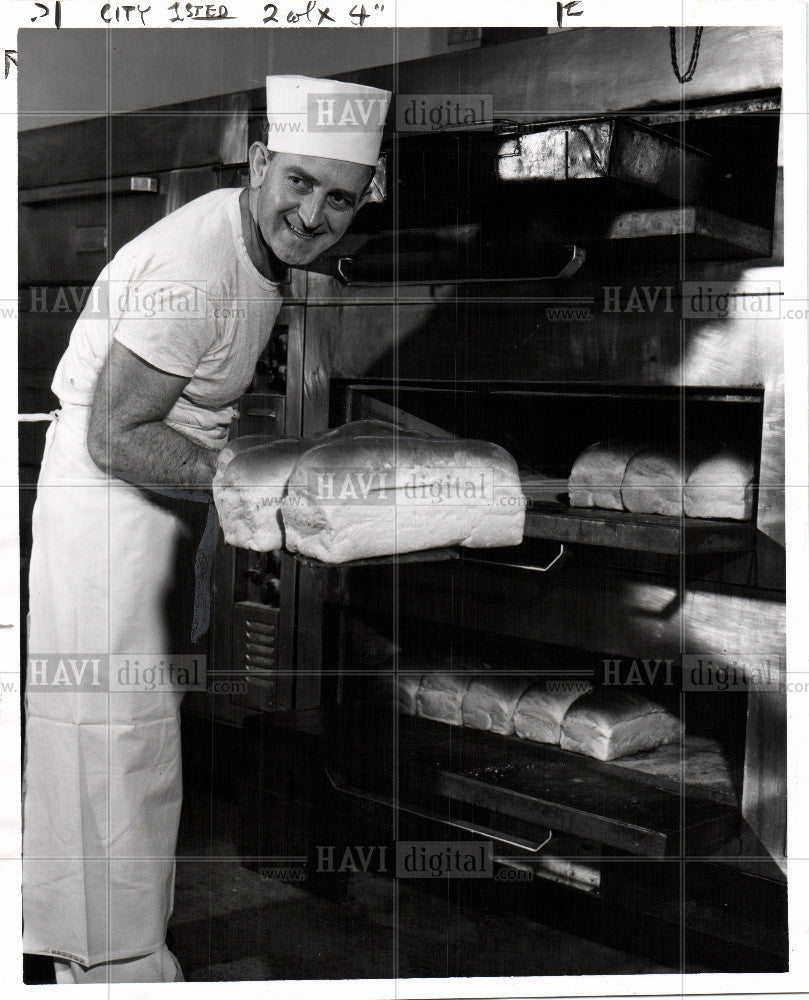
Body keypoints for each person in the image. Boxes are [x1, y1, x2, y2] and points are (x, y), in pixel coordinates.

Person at [22, 74, 391, 985]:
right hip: (109, 507)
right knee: (112, 732)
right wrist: (248, 487)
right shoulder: (197, 267)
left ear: (362, 200)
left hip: (162, 503)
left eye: (337, 198)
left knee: (137, 734)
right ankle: (106, 962)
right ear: (261, 161)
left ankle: (106, 944)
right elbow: (115, 433)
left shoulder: (260, 250)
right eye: (298, 182)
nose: (311, 216)